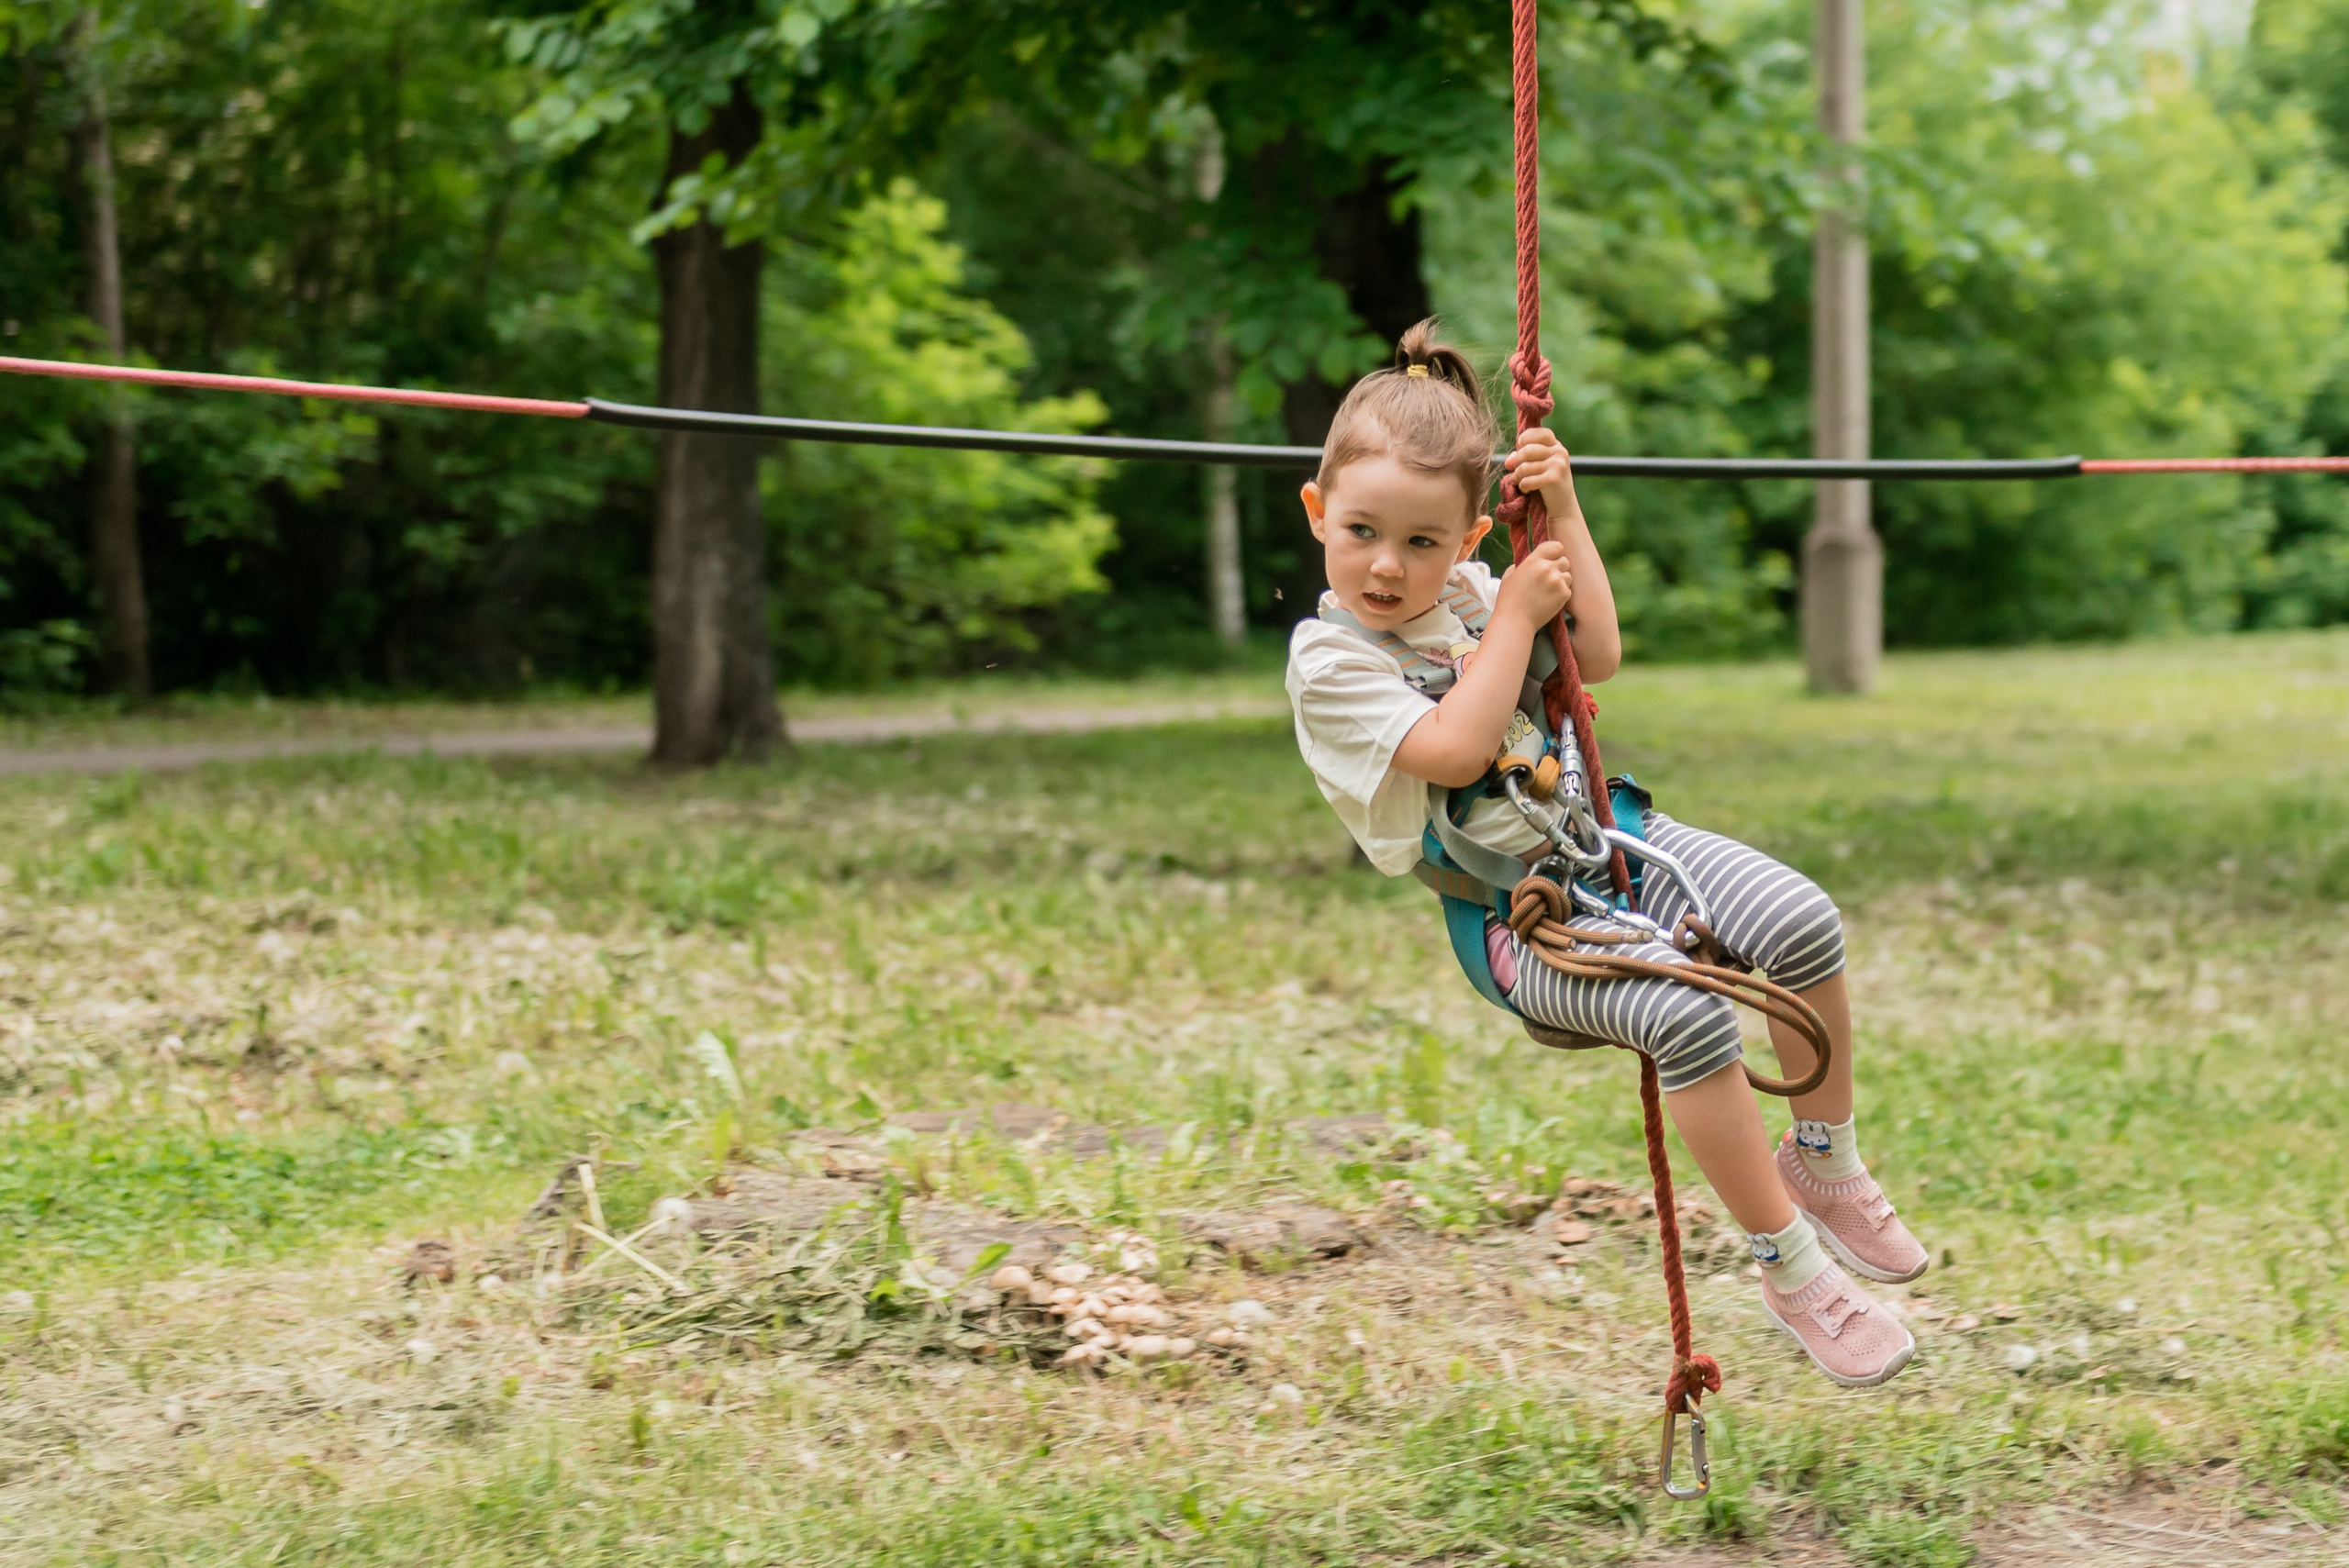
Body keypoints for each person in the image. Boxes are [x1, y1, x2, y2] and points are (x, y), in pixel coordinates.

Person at [1286, 320, 1924, 1388]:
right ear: (1317, 514)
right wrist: (1509, 626)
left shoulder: (1481, 597)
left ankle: (1825, 1157)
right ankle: (1791, 1266)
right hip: (1514, 917)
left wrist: (1567, 517)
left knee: (1804, 919)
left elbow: (1602, 652)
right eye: (1360, 531)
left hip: (1614, 843)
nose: (1388, 566)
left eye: (1423, 542)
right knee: (1685, 1015)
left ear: (1470, 535)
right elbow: (1452, 750)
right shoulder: (1328, 657)